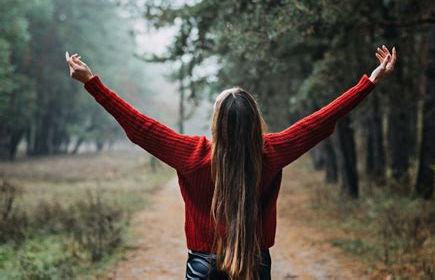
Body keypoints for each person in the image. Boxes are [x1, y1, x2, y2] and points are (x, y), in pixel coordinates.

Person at [65, 45, 396, 280]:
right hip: (255, 265)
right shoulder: (270, 152)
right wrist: (369, 83)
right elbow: (320, 121)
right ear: (254, 122)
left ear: (216, 122)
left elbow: (139, 126)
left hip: (203, 267)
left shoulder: (192, 155)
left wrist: (93, 83)